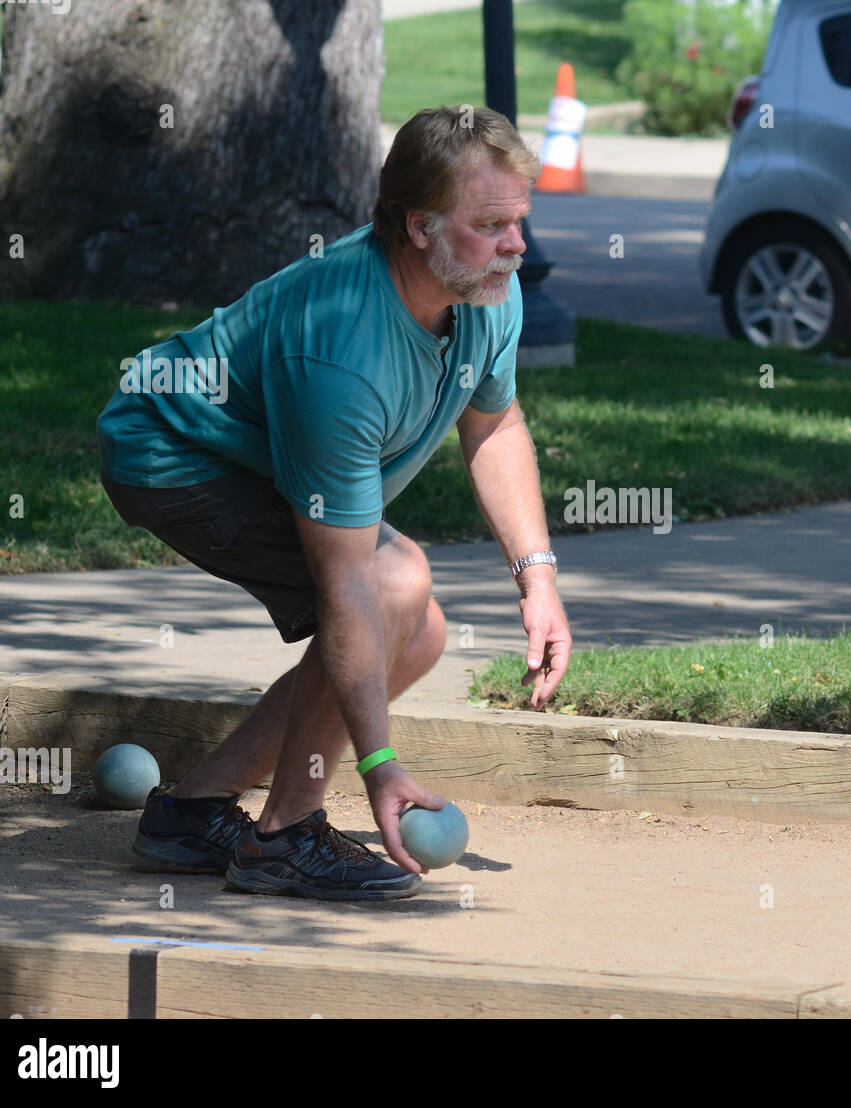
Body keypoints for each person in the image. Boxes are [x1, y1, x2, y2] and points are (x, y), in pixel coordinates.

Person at [95, 106, 571, 901]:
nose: (516, 246)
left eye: (519, 221)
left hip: (248, 450)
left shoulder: (489, 290)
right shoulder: (342, 349)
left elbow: (495, 424)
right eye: (491, 225)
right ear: (419, 226)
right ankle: (284, 837)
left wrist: (539, 581)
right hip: (170, 453)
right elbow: (350, 582)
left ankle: (192, 813)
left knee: (416, 636)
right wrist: (380, 770)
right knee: (390, 587)